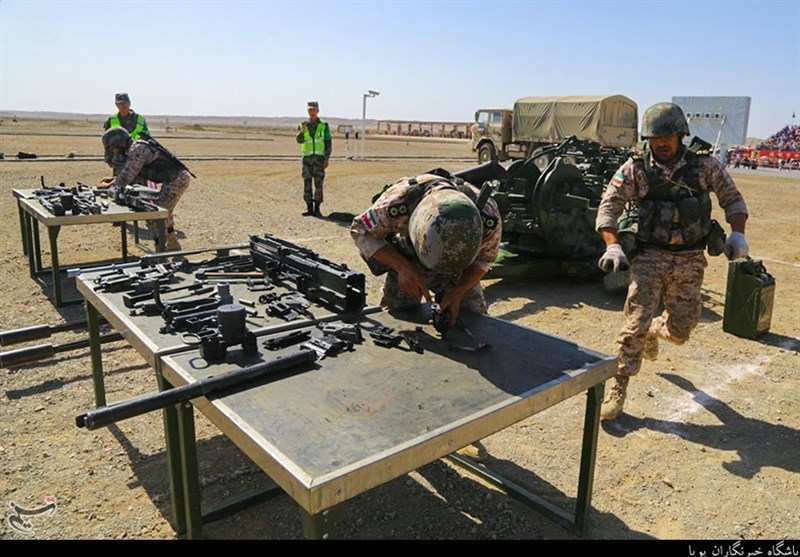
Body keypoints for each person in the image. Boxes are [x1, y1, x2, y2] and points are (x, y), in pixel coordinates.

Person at [595, 102, 750, 421]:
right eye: (654, 137)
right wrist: (612, 246)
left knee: (681, 331)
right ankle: (619, 385)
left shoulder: (704, 166)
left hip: (690, 257)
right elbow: (609, 206)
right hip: (650, 256)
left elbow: (732, 198)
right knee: (635, 320)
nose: (660, 142)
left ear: (680, 134)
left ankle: (654, 331)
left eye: (666, 136)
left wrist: (738, 234)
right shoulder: (636, 168)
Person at [350, 171, 502, 461]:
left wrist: (458, 291)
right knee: (395, 336)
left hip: (460, 271)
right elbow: (359, 229)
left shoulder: (487, 215)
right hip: (409, 263)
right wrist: (402, 267)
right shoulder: (396, 203)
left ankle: (464, 429)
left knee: (473, 334)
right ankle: (397, 416)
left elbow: (485, 259)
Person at [98, 127, 191, 251]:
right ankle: (172, 243)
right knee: (164, 211)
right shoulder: (134, 149)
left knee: (156, 214)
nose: (114, 151)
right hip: (173, 179)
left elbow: (127, 176)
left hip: (177, 180)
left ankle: (160, 251)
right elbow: (132, 172)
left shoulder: (137, 150)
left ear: (119, 143)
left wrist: (110, 188)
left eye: (114, 148)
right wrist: (113, 180)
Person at [296, 101, 332, 216]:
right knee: (307, 183)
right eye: (310, 110)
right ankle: (309, 208)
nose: (312, 112)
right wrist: (302, 131)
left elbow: (328, 142)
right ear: (307, 111)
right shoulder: (303, 125)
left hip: (319, 159)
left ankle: (317, 209)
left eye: (314, 110)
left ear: (318, 111)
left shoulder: (324, 125)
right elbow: (299, 140)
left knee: (318, 184)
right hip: (307, 159)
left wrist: (326, 158)